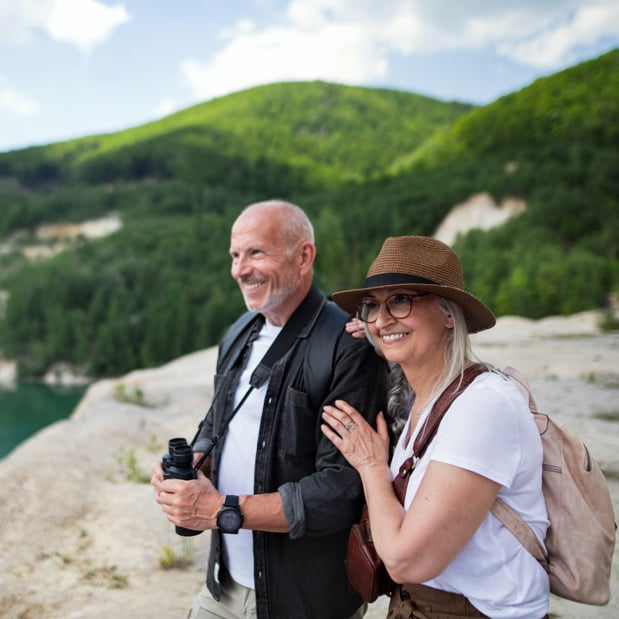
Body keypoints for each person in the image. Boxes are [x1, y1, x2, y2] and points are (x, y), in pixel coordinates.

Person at [151, 200, 389, 619]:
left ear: (303, 256)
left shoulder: (346, 345)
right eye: (235, 255)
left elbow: (342, 490)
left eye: (256, 252)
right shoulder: (239, 332)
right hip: (222, 588)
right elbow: (216, 423)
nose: (240, 269)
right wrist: (192, 465)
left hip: (306, 602)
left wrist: (221, 510)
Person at [321, 236, 550, 618]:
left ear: (448, 314)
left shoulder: (482, 406)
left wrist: (371, 467)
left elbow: (406, 563)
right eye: (371, 306)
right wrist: (386, 333)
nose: (380, 318)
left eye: (400, 300)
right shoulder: (425, 402)